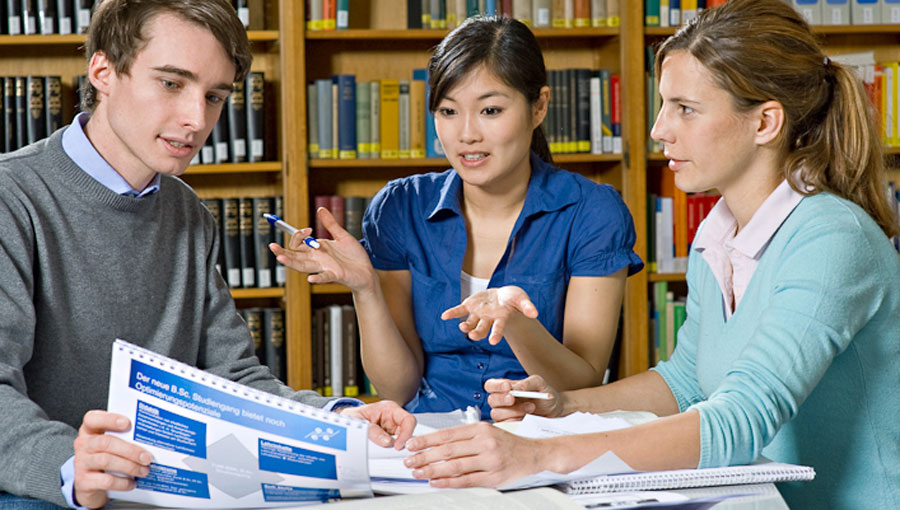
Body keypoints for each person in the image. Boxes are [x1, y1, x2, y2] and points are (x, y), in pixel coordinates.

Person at [400, 1, 900, 507]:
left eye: (685, 108)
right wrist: (563, 407)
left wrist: (540, 455)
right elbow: (685, 382)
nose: (660, 128)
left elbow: (740, 420)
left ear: (766, 122)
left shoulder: (832, 239)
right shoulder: (718, 232)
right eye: (663, 105)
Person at [0, 1, 415, 508]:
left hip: (162, 486)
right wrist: (69, 466)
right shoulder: (11, 196)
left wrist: (333, 420)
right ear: (103, 70)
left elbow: (230, 376)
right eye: (172, 83)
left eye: (215, 96)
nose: (197, 119)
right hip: (45, 487)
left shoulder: (187, 212)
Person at [271, 16, 643, 420]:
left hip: (541, 441)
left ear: (539, 107)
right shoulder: (399, 208)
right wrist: (365, 289)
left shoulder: (592, 212)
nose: (467, 134)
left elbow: (581, 385)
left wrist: (515, 324)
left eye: (490, 110)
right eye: (448, 111)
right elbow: (399, 388)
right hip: (428, 437)